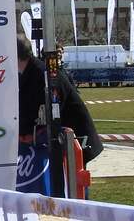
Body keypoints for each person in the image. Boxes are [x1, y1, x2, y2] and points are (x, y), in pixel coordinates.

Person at [17, 34, 103, 185]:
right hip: (62, 142)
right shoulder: (31, 72)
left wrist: (26, 131)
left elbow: (44, 109)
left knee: (74, 187)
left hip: (74, 140)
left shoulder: (42, 73)